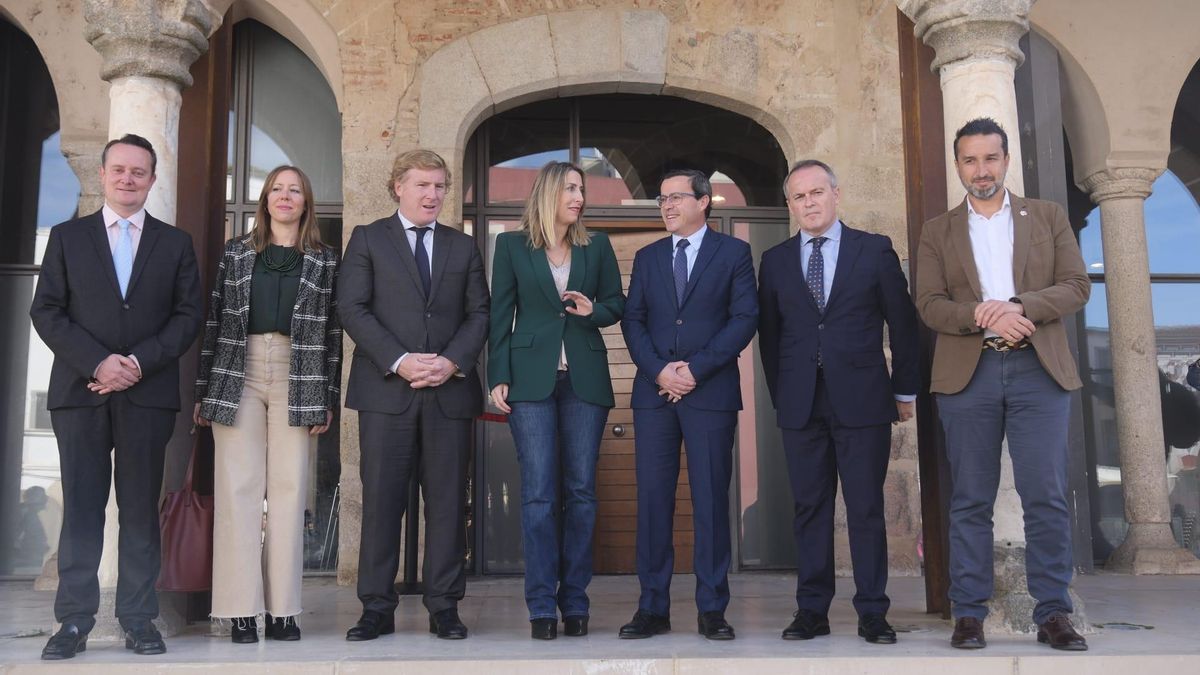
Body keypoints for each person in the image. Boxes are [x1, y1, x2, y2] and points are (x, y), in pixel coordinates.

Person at [915, 118, 1091, 651]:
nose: (981, 170)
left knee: (1046, 495)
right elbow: (928, 304)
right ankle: (968, 613)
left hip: (1038, 369)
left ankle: (1053, 612)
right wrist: (985, 315)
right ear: (958, 166)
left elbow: (1077, 285)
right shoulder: (937, 231)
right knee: (970, 498)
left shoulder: (1047, 216)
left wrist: (1019, 307)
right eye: (969, 160)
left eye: (990, 159)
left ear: (1006, 160)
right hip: (970, 374)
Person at [29, 133, 204, 659]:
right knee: (81, 509)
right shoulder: (66, 236)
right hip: (80, 394)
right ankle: (74, 622)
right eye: (120, 170)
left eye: (139, 172)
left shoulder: (175, 244)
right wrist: (99, 362)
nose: (128, 179)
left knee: (139, 510)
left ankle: (138, 618)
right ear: (103, 175)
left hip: (147, 397)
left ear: (152, 179)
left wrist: (136, 364)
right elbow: (47, 311)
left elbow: (188, 316)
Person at [758, 159, 920, 644]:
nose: (808, 203)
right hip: (801, 404)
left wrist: (904, 390)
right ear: (790, 205)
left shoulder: (873, 251)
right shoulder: (777, 260)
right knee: (810, 507)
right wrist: (782, 397)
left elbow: (905, 325)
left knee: (866, 507)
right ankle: (812, 610)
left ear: (835, 194)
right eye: (798, 197)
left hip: (864, 400)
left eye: (816, 193)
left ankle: (873, 611)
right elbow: (771, 338)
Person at [338, 149, 489, 641]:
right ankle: (376, 608)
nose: (433, 195)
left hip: (449, 392)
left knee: (447, 504)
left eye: (440, 186)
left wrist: (451, 362)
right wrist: (401, 361)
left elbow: (479, 315)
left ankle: (445, 606)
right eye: (423, 185)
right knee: (381, 502)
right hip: (387, 392)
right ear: (397, 186)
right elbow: (352, 308)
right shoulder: (367, 239)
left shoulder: (462, 247)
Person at [193, 165, 342, 643]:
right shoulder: (236, 254)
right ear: (265, 199)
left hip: (299, 374)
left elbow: (333, 335)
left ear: (306, 202)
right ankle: (239, 610)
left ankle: (283, 611)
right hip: (240, 371)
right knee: (238, 491)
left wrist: (327, 397)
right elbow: (213, 322)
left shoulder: (324, 260)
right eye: (277, 189)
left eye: (294, 190)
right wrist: (203, 392)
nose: (285, 196)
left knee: (288, 491)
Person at [487, 162, 625, 640]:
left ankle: (576, 601)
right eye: (570, 187)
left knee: (582, 493)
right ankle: (542, 605)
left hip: (584, 378)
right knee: (540, 494)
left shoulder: (598, 245)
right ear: (548, 193)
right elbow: (500, 313)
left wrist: (594, 310)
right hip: (530, 382)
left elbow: (616, 303)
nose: (579, 196)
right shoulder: (510, 246)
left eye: (581, 188)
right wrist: (497, 374)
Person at [618, 169, 758, 641]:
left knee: (711, 501)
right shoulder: (648, 256)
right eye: (661, 200)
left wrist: (695, 370)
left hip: (710, 393)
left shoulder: (734, 253)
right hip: (653, 396)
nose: (667, 206)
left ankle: (712, 610)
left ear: (704, 201)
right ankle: (652, 608)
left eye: (676, 198)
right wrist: (660, 371)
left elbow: (744, 319)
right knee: (653, 502)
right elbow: (633, 320)